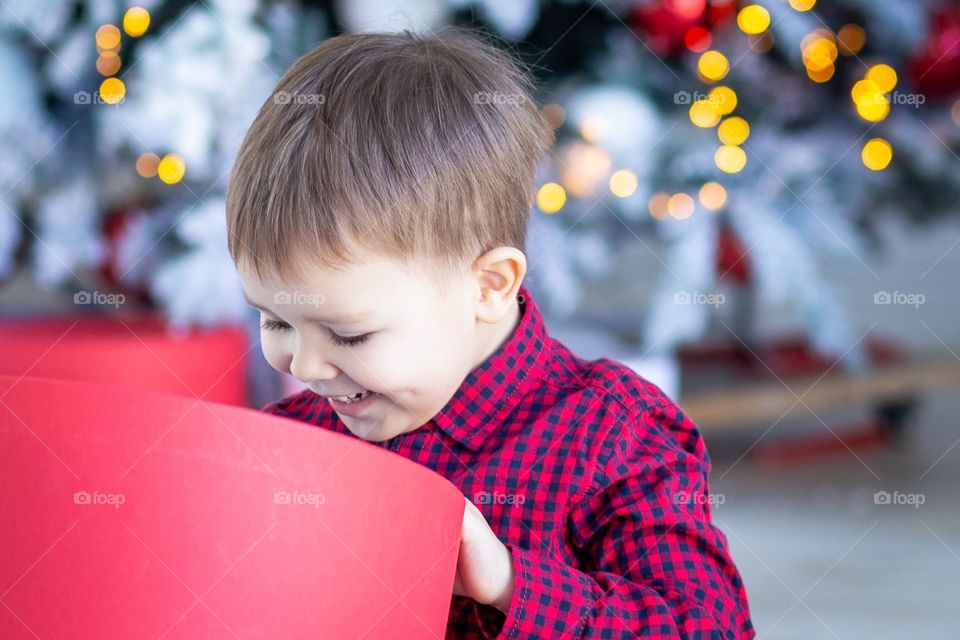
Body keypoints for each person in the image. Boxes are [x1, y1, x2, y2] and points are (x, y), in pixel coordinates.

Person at [226, 27, 755, 639]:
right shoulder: (292, 447)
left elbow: (709, 629)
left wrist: (506, 583)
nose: (304, 367)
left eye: (349, 336)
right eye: (276, 320)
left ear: (489, 286)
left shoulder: (616, 434)